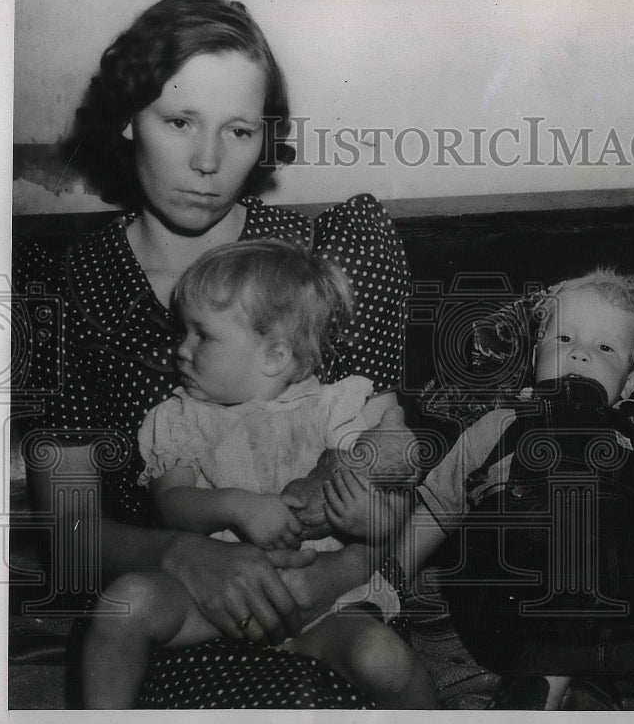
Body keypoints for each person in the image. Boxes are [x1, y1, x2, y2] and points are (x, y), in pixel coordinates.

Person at [12, 0, 414, 708]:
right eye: (178, 121)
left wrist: (333, 564)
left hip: (328, 597)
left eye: (237, 131)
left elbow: (392, 459)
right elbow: (69, 535)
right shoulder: (64, 289)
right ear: (129, 121)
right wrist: (184, 553)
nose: (206, 161)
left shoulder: (330, 258)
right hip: (172, 614)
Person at [357, 270, 634, 710]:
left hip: (617, 595)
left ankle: (585, 677)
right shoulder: (502, 423)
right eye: (564, 339)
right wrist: (390, 579)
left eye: (604, 348)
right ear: (534, 360)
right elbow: (437, 508)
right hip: (513, 588)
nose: (580, 354)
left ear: (631, 384)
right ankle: (558, 679)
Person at [81, 240, 435, 709]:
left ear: (274, 356)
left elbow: (384, 502)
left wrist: (367, 516)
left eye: (201, 335)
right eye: (181, 332)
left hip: (323, 608)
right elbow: (171, 504)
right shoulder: (179, 419)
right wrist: (235, 506)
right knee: (124, 604)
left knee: (384, 659)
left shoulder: (337, 409)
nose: (180, 350)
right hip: (212, 608)